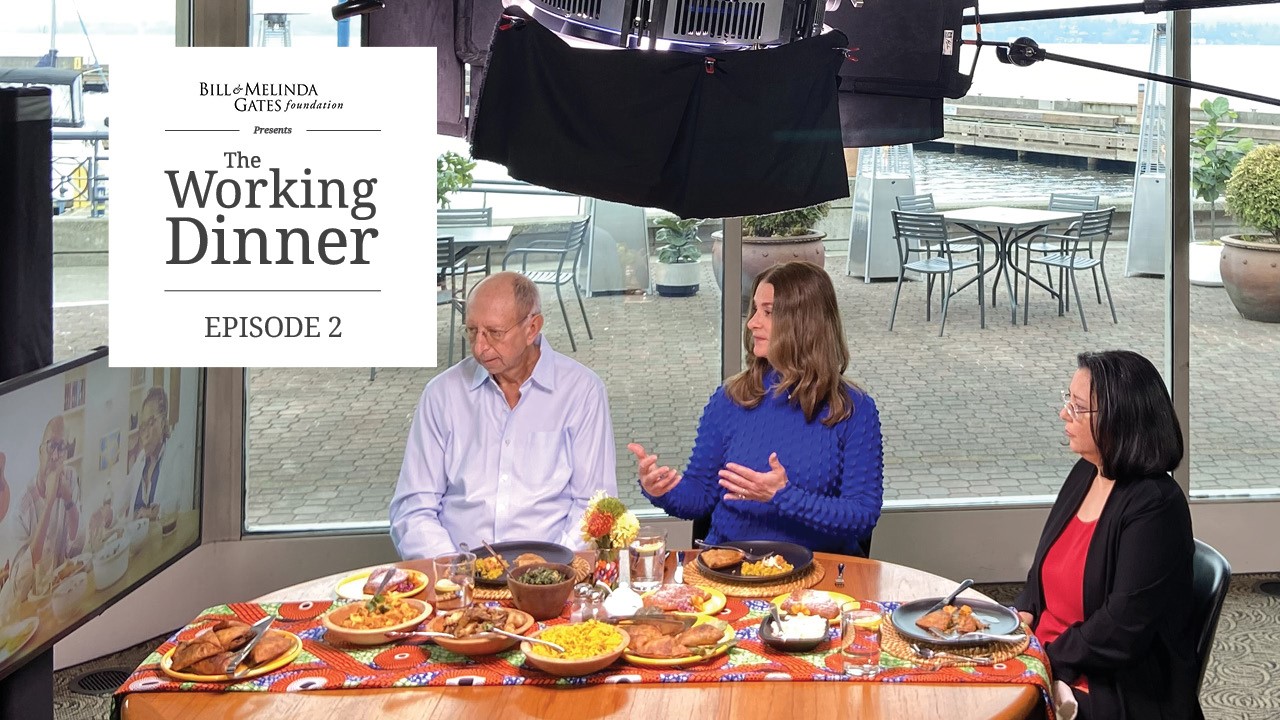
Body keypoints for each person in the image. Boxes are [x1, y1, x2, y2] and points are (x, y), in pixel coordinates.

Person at [630, 261, 883, 556]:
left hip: (818, 570)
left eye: (768, 312)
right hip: (730, 564)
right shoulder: (731, 398)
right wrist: (662, 489)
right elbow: (700, 497)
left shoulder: (853, 410)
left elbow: (862, 516)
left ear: (804, 324)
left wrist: (783, 496)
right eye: (754, 310)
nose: (752, 323)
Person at [1014, 350, 1202, 720]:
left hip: (1113, 686)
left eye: (1078, 407)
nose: (1064, 413)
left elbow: (1121, 630)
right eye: (1067, 399)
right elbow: (1042, 576)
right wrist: (1021, 615)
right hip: (1053, 657)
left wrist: (1042, 657)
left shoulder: (1156, 506)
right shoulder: (1087, 471)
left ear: (1121, 418)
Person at [390, 271, 618, 560]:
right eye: (472, 331)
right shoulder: (442, 394)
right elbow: (413, 508)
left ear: (532, 328)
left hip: (556, 573)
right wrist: (455, 571)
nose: (479, 347)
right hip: (457, 572)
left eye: (494, 333)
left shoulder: (582, 391)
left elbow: (594, 505)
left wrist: (551, 571)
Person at [19, 416, 83, 572]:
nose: (55, 456)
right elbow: (23, 577)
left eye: (61, 447)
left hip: (63, 581)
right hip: (34, 587)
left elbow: (77, 547)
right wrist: (49, 504)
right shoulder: (21, 508)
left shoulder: (70, 477)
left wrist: (68, 501)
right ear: (40, 452)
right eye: (51, 446)